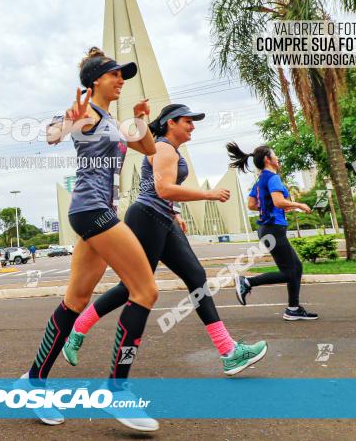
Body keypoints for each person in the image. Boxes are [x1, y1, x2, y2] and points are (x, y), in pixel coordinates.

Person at [61, 104, 267, 375]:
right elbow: (163, 188)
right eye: (187, 121)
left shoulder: (169, 149)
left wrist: (175, 213)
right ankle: (76, 332)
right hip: (147, 216)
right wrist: (209, 194)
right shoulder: (164, 148)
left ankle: (228, 351)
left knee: (196, 276)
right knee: (133, 288)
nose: (192, 126)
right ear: (171, 123)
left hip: (161, 217)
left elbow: (163, 191)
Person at [22, 47, 158, 432]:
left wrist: (140, 118)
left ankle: (33, 381)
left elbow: (147, 149)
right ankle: (117, 390)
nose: (121, 81)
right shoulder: (86, 115)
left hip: (96, 214)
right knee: (145, 290)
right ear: (95, 79)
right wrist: (66, 124)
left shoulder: (112, 121)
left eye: (123, 76)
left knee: (76, 301)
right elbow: (52, 135)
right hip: (91, 211)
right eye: (115, 74)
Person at [226, 144, 317, 320]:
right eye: (275, 156)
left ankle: (293, 308)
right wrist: (298, 205)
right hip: (274, 230)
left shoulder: (260, 180)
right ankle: (247, 282)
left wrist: (271, 207)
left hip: (267, 229)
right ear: (268, 160)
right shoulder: (273, 178)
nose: (278, 159)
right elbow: (277, 201)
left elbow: (252, 204)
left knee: (296, 267)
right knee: (289, 272)